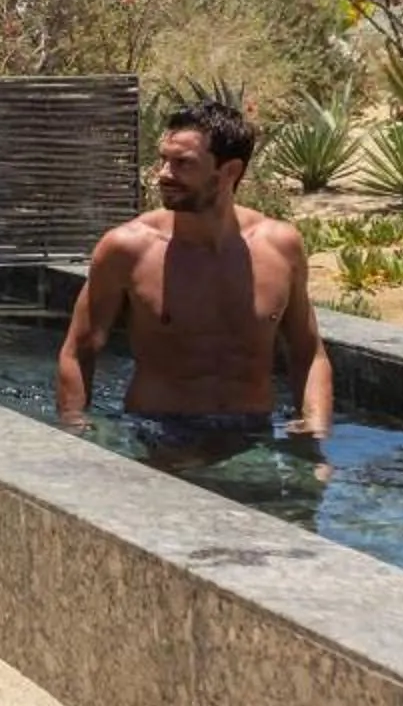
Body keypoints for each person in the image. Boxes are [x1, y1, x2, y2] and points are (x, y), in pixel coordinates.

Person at [55, 96, 331, 468]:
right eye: (163, 159)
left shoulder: (281, 246)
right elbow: (79, 350)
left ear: (229, 171)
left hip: (254, 430)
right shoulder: (127, 248)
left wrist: (313, 440)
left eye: (183, 164)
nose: (164, 174)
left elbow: (308, 353)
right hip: (158, 432)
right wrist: (76, 435)